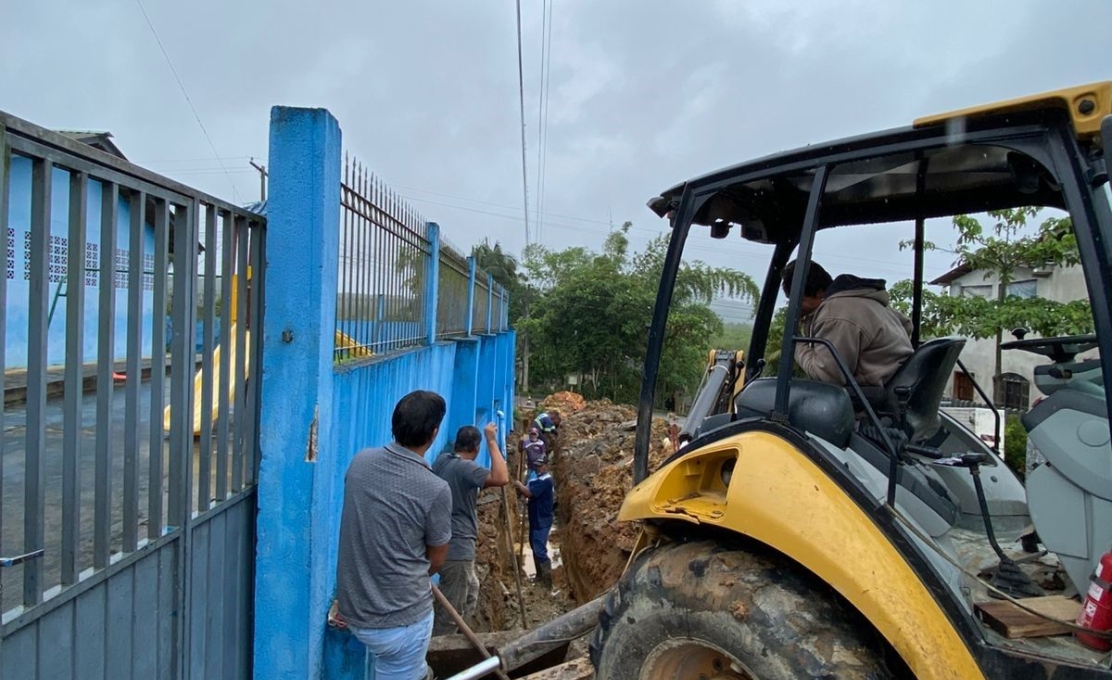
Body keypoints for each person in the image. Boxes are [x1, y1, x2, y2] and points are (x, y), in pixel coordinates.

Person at [335, 390, 452, 680]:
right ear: (434, 433)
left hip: (354, 609)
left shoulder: (360, 463)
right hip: (401, 622)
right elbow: (436, 561)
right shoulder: (435, 488)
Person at [781, 260, 913, 387]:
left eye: (800, 300)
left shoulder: (834, 314)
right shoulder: (865, 301)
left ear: (820, 292)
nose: (795, 307)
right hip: (894, 388)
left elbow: (827, 378)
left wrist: (796, 343)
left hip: (869, 401)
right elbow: (907, 325)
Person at [431, 422, 510, 635]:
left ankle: (459, 637)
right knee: (451, 612)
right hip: (457, 549)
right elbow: (502, 478)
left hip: (442, 542)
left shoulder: (442, 461)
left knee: (472, 589)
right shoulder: (465, 468)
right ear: (476, 448)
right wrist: (492, 441)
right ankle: (440, 655)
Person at [513, 456, 556, 588]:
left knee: (539, 549)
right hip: (535, 518)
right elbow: (527, 489)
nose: (538, 468)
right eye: (537, 465)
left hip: (542, 520)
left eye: (540, 465)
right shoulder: (535, 478)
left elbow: (529, 493)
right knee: (534, 546)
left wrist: (520, 485)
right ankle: (539, 575)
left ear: (546, 466)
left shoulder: (547, 481)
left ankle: (547, 582)